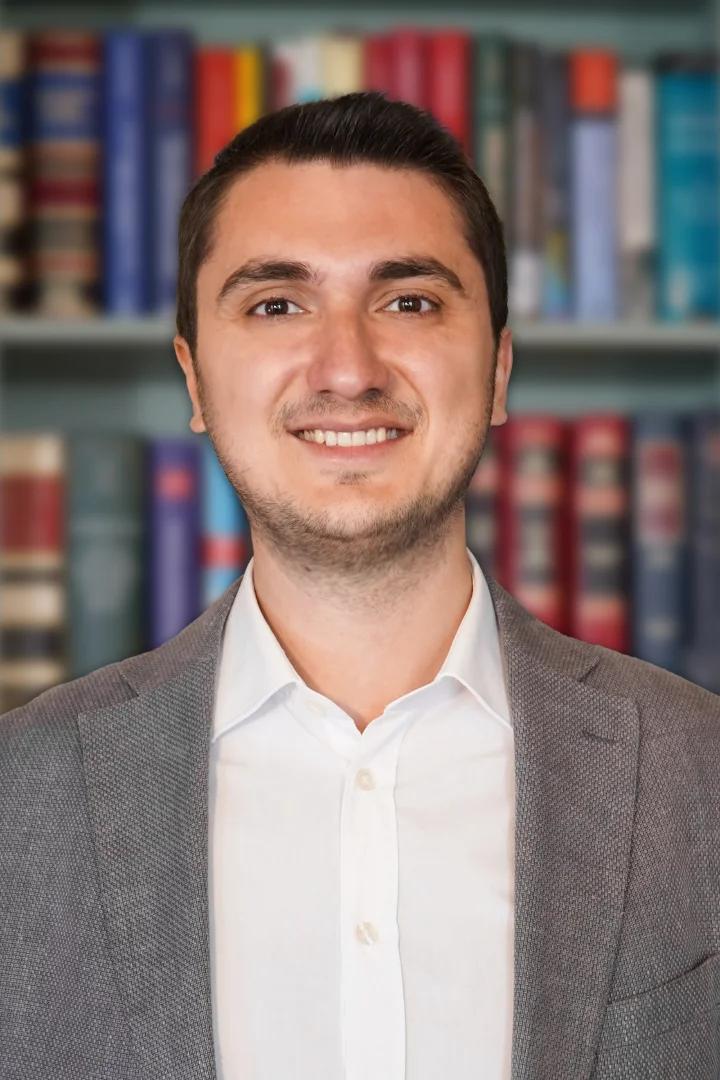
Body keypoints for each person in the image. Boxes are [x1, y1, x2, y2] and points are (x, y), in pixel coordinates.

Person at [1, 91, 718, 1080]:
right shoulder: (17, 797)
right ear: (196, 382)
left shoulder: (701, 772)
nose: (347, 367)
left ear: (500, 369)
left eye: (409, 301)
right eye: (276, 304)